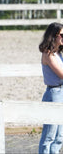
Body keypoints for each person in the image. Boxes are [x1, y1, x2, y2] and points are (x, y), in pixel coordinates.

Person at [38, 22, 63, 154]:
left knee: (59, 136)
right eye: (62, 35)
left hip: (61, 92)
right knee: (49, 135)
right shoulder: (48, 54)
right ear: (54, 36)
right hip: (54, 93)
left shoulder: (58, 54)